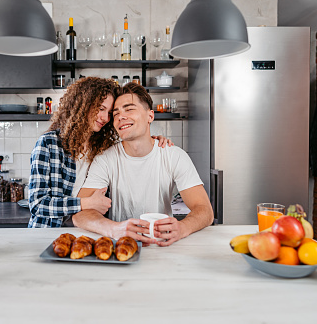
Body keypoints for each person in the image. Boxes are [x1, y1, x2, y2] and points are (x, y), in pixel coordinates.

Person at [72, 82, 214, 246]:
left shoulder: (174, 155)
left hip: (163, 245)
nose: (120, 117)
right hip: (121, 245)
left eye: (129, 109)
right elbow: (80, 214)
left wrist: (182, 227)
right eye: (116, 113)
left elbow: (205, 210)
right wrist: (114, 229)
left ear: (150, 116)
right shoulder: (105, 159)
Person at [28, 77, 171, 228]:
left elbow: (134, 143)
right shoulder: (50, 143)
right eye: (101, 108)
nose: (105, 118)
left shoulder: (102, 147)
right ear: (83, 104)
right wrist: (86, 203)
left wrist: (153, 141)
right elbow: (37, 204)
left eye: (110, 112)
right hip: (48, 232)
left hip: (87, 231)